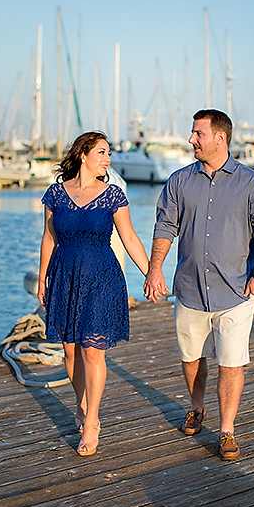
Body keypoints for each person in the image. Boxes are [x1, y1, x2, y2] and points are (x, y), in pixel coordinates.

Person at [143, 109, 254, 461]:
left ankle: (227, 429)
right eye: (192, 133)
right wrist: (154, 270)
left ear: (221, 137)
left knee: (231, 362)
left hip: (236, 291)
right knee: (191, 359)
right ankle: (196, 407)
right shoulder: (178, 181)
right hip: (188, 289)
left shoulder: (252, 183)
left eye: (197, 133)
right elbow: (164, 227)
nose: (191, 140)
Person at [38, 131, 150, 456]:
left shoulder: (112, 195)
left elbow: (129, 237)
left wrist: (151, 273)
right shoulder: (56, 194)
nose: (108, 159)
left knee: (92, 351)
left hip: (102, 276)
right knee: (70, 351)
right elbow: (48, 239)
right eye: (102, 152)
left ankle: (92, 422)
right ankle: (81, 403)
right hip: (65, 275)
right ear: (83, 154)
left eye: (109, 154)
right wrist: (43, 279)